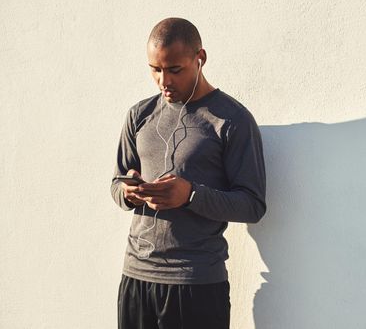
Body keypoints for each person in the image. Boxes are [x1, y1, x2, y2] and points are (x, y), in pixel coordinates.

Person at [110, 17, 266, 329]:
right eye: (155, 69)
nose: (163, 80)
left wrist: (190, 195)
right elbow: (116, 183)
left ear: (200, 58)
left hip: (196, 284)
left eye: (174, 69)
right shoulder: (139, 115)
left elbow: (253, 205)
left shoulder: (232, 120)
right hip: (136, 277)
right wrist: (128, 192)